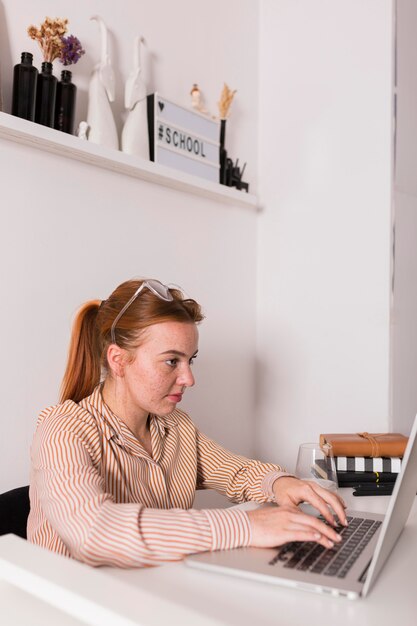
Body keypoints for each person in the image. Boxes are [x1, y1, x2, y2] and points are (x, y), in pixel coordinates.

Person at [28, 278, 347, 567]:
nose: (189, 378)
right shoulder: (62, 429)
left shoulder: (177, 427)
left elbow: (236, 472)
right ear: (118, 360)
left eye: (190, 359)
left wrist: (281, 483)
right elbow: (94, 534)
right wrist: (247, 527)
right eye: (171, 361)